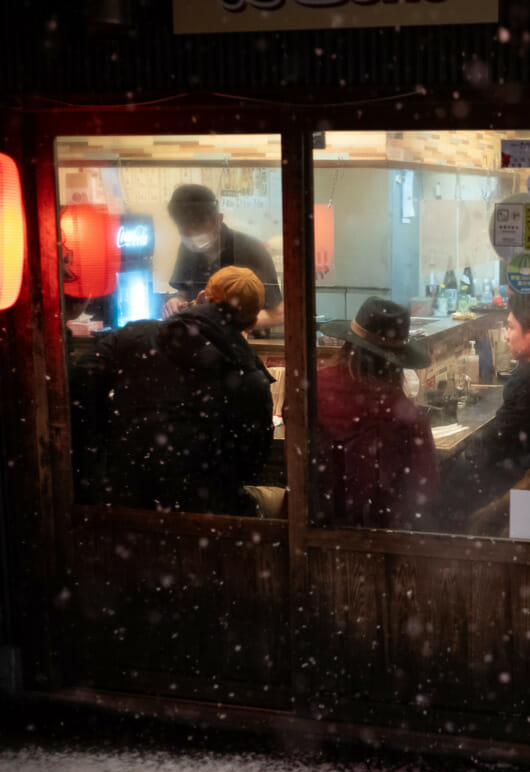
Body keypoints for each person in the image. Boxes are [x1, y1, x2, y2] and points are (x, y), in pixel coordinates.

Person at [71, 266, 275, 516]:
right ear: (252, 322)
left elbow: (82, 379)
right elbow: (251, 465)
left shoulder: (135, 334)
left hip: (121, 498)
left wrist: (103, 452)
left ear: (200, 297)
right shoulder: (250, 376)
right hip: (207, 514)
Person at [313, 297, 438, 529]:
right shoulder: (405, 414)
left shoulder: (312, 388)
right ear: (396, 361)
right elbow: (425, 489)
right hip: (379, 536)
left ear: (349, 344)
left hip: (309, 527)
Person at [449, 268, 530, 515]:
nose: (506, 337)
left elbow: (493, 445)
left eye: (511, 328)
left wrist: (457, 463)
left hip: (529, 496)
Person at [162, 184, 284, 331]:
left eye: (196, 227)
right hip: (200, 343)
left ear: (218, 219)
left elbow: (279, 314)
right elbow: (185, 296)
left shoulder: (251, 250)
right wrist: (176, 302)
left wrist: (226, 323)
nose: (191, 236)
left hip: (244, 343)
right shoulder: (186, 249)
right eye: (183, 228)